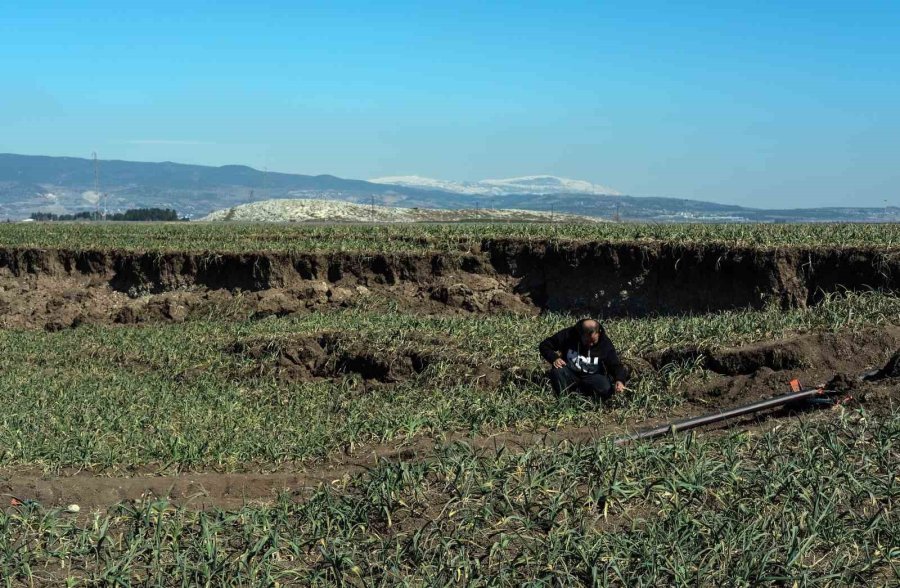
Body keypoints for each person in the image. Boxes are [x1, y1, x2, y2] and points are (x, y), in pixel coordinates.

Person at [538, 318, 627, 400]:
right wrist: (554, 358)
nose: (591, 344)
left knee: (605, 388)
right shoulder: (568, 335)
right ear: (581, 334)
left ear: (598, 333)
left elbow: (615, 364)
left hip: (593, 377)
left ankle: (588, 399)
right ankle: (563, 399)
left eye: (593, 341)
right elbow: (544, 345)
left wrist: (620, 380)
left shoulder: (605, 343)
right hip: (570, 373)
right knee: (557, 371)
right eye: (587, 341)